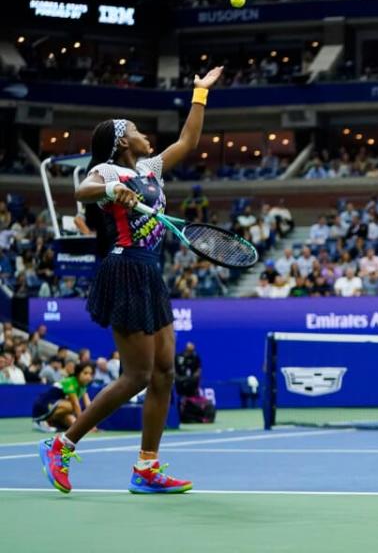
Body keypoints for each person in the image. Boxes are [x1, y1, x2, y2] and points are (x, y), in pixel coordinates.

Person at [39, 65, 222, 496]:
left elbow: (188, 141)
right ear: (123, 140)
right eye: (138, 131)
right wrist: (108, 192)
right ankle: (61, 445)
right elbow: (82, 192)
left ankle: (147, 467)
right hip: (123, 270)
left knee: (164, 373)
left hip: (150, 272)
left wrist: (199, 94)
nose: (147, 137)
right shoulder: (108, 171)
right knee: (137, 374)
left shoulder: (151, 169)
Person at [32, 361, 94, 433]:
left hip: (57, 407)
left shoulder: (83, 386)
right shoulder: (70, 382)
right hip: (42, 406)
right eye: (85, 373)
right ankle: (41, 421)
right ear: (78, 373)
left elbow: (89, 406)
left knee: (73, 422)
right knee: (72, 406)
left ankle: (52, 423)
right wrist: (83, 425)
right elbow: (76, 405)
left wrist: (91, 425)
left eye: (91, 374)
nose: (88, 377)